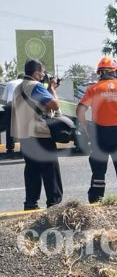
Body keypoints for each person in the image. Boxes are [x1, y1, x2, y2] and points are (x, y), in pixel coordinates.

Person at [76, 56, 117, 203]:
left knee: (98, 168)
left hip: (99, 134)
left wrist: (85, 126)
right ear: (115, 72)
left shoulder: (93, 89)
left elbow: (80, 110)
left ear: (100, 73)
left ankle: (96, 200)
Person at [11, 59, 63, 210]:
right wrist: (52, 89)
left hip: (24, 134)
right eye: (42, 72)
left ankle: (30, 204)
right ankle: (54, 204)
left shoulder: (18, 87)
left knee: (32, 169)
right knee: (50, 169)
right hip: (40, 134)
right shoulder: (36, 86)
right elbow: (55, 104)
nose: (43, 75)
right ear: (36, 73)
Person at [2, 74, 24, 156]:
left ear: (17, 78)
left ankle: (10, 149)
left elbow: (4, 98)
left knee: (10, 127)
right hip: (20, 104)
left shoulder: (9, 83)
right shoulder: (25, 83)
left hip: (10, 105)